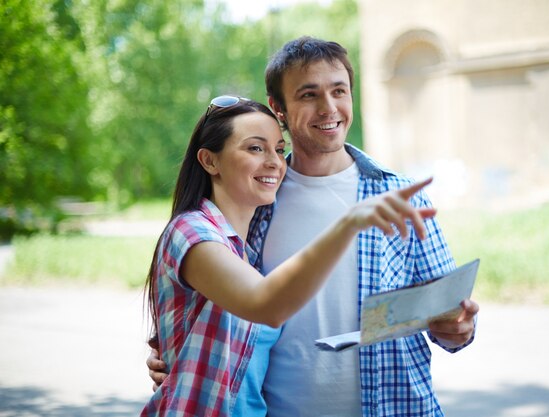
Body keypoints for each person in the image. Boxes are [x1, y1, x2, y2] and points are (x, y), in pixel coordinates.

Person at [148, 37, 479, 417]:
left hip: (395, 408)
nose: (329, 108)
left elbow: (449, 316)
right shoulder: (255, 202)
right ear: (279, 108)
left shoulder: (399, 196)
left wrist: (458, 329)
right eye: (309, 95)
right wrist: (177, 359)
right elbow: (230, 308)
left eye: (339, 91)